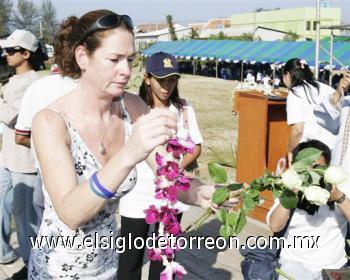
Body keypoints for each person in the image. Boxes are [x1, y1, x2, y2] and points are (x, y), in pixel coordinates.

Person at [28, 10, 239, 279]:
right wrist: (129, 153)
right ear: (83, 57)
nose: (126, 71)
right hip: (57, 269)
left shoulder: (132, 106)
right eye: (114, 59)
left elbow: (168, 174)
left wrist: (200, 192)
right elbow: (71, 213)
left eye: (130, 60)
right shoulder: (50, 121)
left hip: (107, 265)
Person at [117, 52, 203, 280]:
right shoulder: (133, 110)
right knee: (130, 259)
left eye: (172, 79)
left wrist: (174, 172)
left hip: (171, 196)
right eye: (161, 79)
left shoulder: (184, 111)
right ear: (147, 79)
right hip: (137, 195)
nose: (167, 86)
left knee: (165, 257)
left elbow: (195, 148)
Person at [15, 20, 79, 224]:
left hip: (48, 182)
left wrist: (49, 147)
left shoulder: (39, 88)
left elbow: (21, 137)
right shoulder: (100, 89)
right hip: (92, 183)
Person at [267, 139, 350, 280]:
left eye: (317, 167)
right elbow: (275, 225)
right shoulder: (289, 190)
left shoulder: (341, 187)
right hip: (294, 266)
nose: (312, 173)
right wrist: (290, 196)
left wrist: (339, 198)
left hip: (334, 268)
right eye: (306, 167)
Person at [0, 29, 43, 279]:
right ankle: (5, 253)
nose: (6, 55)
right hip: (7, 157)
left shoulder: (33, 83)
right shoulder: (13, 80)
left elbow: (8, 116)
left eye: (11, 50)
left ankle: (33, 265)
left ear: (26, 54)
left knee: (25, 217)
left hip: (24, 163)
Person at [283, 58, 343, 163]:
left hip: (311, 152)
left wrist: (290, 151)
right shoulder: (326, 88)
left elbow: (298, 129)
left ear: (287, 74)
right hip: (334, 147)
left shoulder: (295, 93)